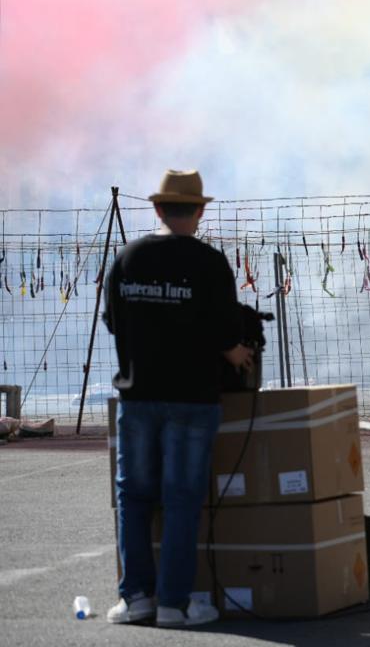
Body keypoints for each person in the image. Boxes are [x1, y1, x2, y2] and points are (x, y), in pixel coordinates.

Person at [103, 170, 254, 628]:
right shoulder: (210, 262)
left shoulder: (127, 258)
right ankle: (175, 604)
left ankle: (136, 599)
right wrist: (237, 352)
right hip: (192, 398)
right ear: (200, 211)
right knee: (183, 498)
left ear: (158, 209)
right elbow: (228, 334)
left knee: (133, 496)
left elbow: (113, 321)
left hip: (139, 396)